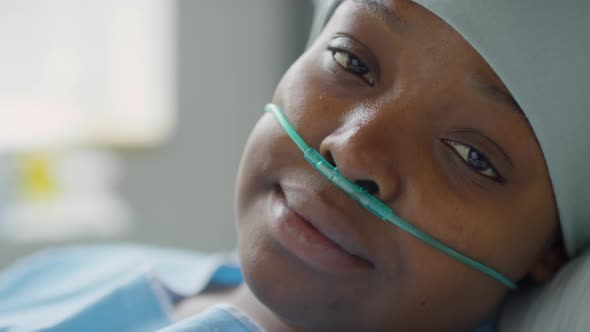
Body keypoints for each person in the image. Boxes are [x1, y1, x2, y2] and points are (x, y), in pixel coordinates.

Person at [1, 0, 588, 331]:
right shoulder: (71, 274)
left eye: (473, 157)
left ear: (549, 252)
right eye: (350, 61)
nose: (353, 150)